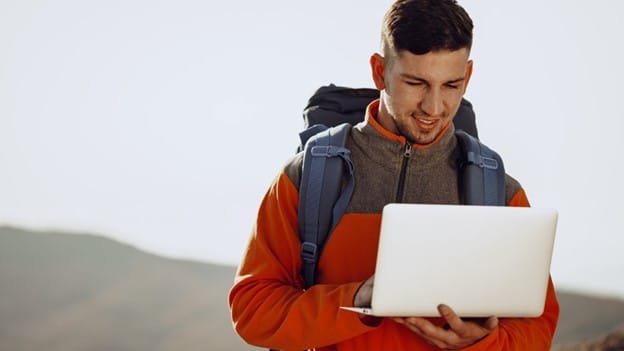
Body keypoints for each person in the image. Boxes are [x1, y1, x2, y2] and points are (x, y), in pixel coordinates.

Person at [229, 0, 560, 350]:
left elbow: (536, 329)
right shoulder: (306, 177)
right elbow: (253, 311)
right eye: (416, 82)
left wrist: (482, 344)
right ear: (379, 71)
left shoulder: (499, 193)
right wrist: (359, 299)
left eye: (451, 85)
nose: (434, 108)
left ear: (469, 75)